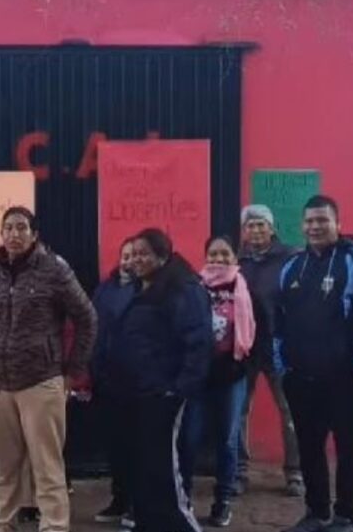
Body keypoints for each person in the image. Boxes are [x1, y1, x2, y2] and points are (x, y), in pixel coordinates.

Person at [0, 207, 97, 532]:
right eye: (8, 228)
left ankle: (54, 527)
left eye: (22, 228)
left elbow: (87, 317)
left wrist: (71, 370)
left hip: (41, 382)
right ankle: (2, 525)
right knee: (4, 467)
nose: (14, 234)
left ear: (34, 235)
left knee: (47, 466)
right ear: (1, 234)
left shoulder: (54, 270)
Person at [276, 196, 353, 532]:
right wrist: (282, 365)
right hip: (300, 377)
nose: (315, 226)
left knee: (348, 448)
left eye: (322, 220)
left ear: (337, 224)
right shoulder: (292, 267)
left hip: (344, 377)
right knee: (309, 448)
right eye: (309, 221)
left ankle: (344, 517)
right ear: (302, 225)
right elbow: (279, 321)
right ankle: (316, 512)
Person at [96, 228, 212, 532]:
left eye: (143, 253)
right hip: (135, 395)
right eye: (133, 254)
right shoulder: (136, 288)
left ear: (163, 254)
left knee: (164, 471)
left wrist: (178, 389)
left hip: (164, 395)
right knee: (142, 468)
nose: (136, 259)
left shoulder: (183, 288)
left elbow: (198, 342)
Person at [178, 235, 257, 528]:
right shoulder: (193, 287)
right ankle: (182, 499)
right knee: (189, 438)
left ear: (235, 258)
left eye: (225, 254)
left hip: (231, 376)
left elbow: (255, 330)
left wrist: (242, 364)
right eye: (213, 254)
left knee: (227, 439)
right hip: (198, 375)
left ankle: (222, 501)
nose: (218, 260)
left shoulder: (243, 288)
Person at [236, 205, 303, 497]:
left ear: (272, 228)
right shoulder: (237, 261)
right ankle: (238, 472)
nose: (256, 230)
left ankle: (295, 473)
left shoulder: (292, 257)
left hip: (281, 348)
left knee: (290, 412)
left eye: (261, 224)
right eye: (250, 226)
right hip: (245, 349)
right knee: (239, 412)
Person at [89, 236, 138, 530]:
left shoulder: (148, 289)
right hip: (107, 379)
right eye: (126, 254)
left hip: (136, 380)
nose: (129, 260)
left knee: (137, 447)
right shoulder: (104, 289)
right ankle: (119, 499)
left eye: (135, 255)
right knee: (115, 446)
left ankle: (136, 504)